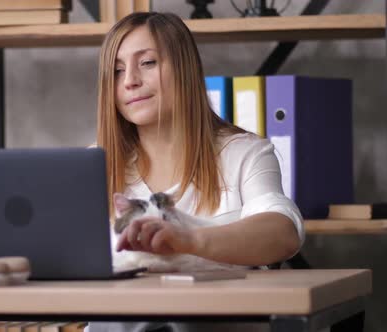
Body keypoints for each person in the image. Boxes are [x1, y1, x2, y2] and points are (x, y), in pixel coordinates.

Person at [88, 11, 304, 332]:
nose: (130, 80)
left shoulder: (243, 153)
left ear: (184, 68)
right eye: (117, 71)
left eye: (146, 63)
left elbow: (284, 234)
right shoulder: (95, 163)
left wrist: (187, 240)